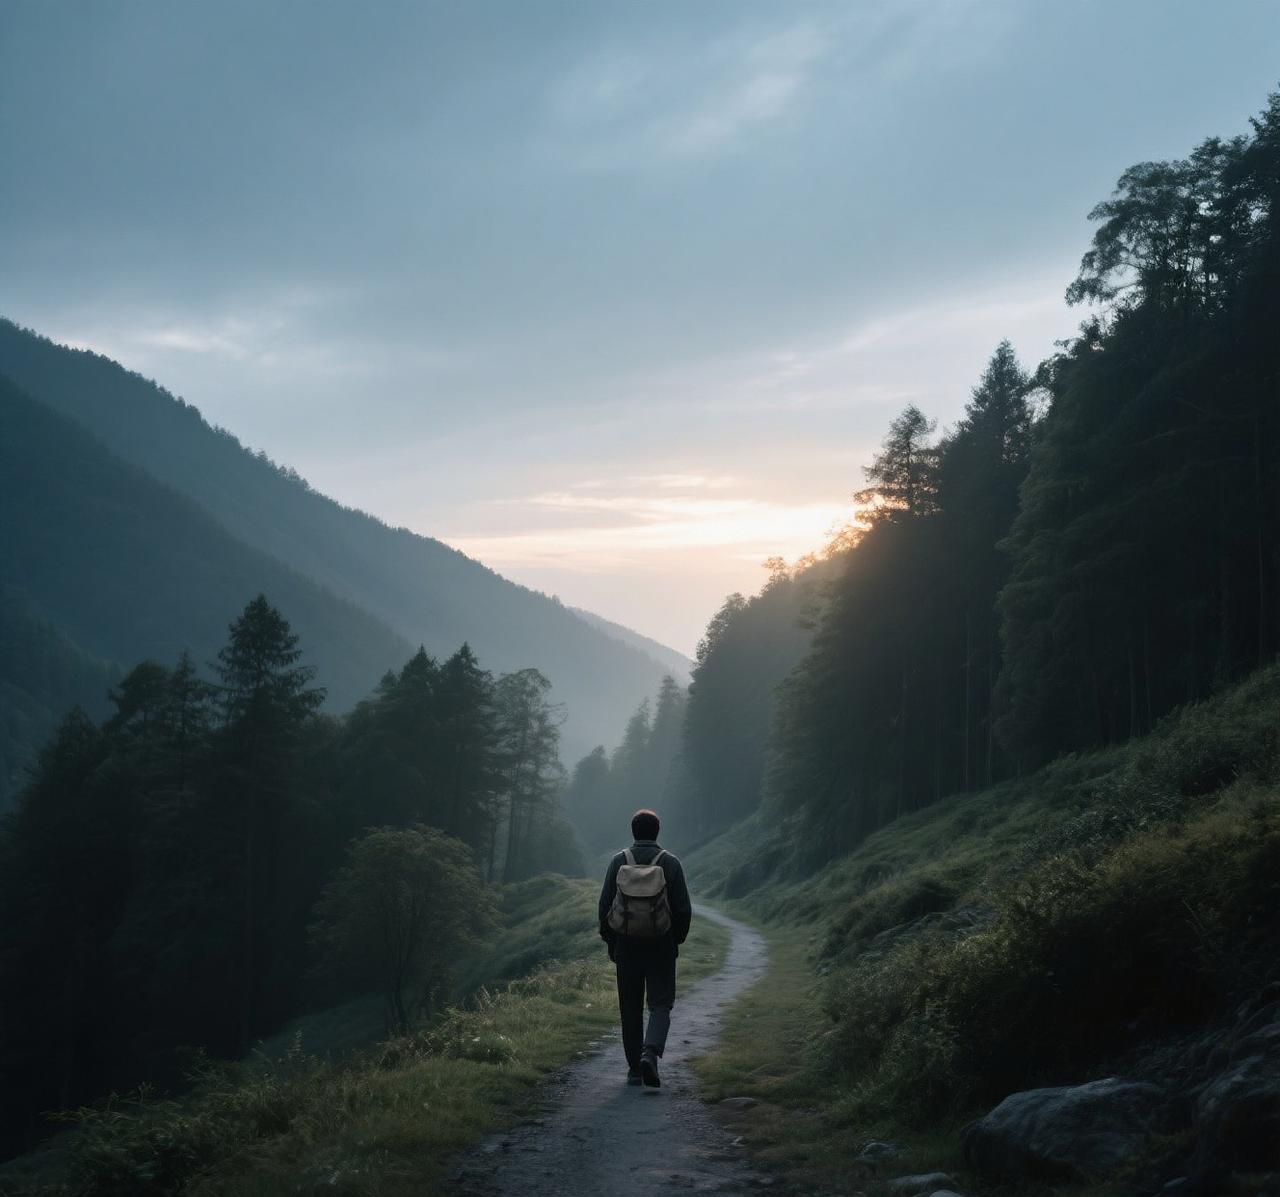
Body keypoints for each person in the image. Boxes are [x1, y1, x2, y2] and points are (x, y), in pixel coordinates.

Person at [597, 808, 692, 1088]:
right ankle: (650, 1053)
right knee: (660, 1004)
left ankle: (634, 1070)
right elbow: (683, 910)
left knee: (630, 1006)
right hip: (661, 944)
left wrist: (611, 942)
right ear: (657, 831)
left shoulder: (618, 861)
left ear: (633, 831)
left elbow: (604, 907)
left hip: (626, 944)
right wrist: (675, 940)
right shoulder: (671, 863)